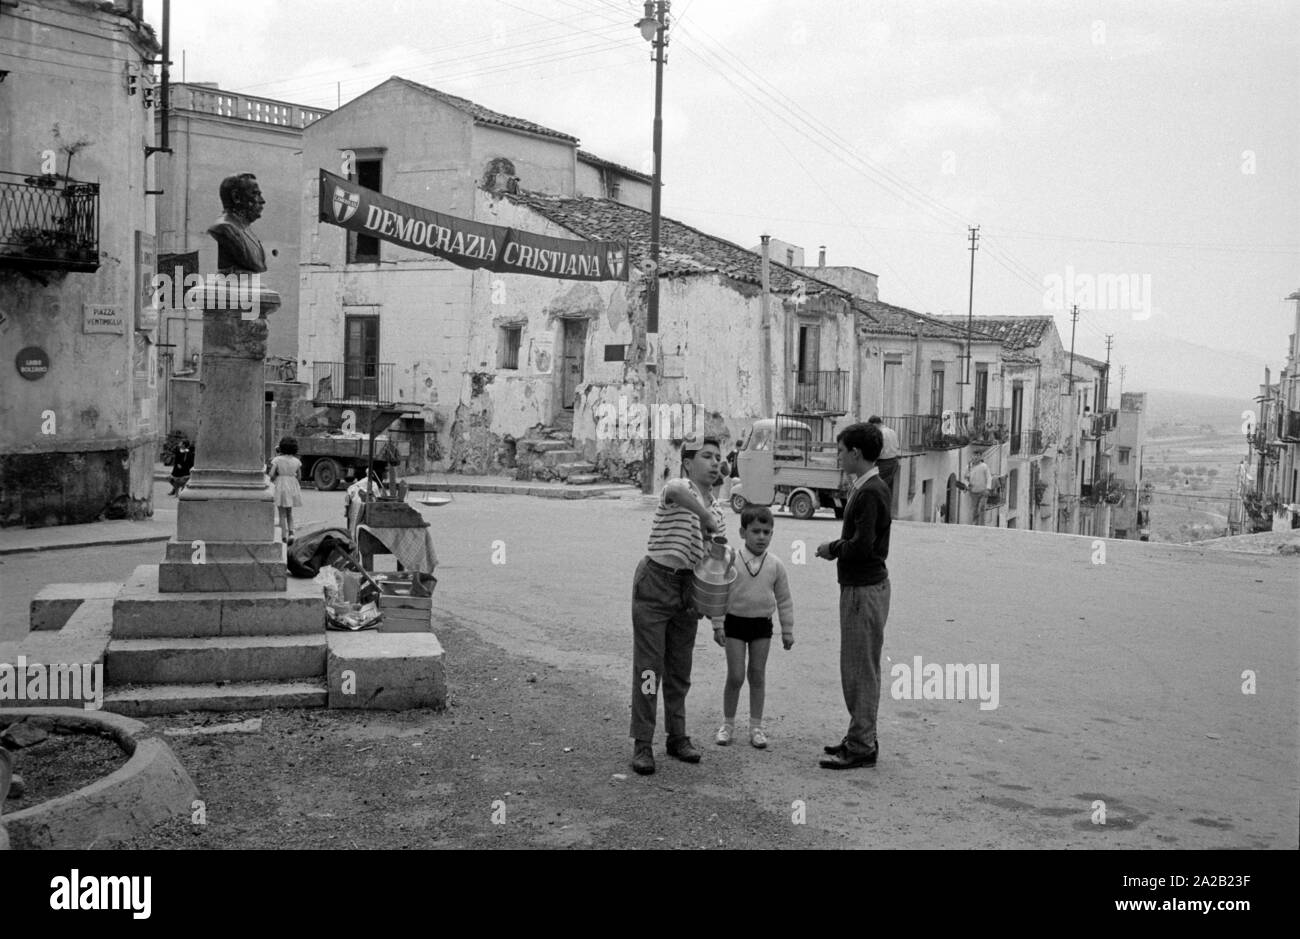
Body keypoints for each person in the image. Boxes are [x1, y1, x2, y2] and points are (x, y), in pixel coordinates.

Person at [629, 432, 725, 776]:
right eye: (707, 456)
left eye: (718, 457)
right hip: (655, 582)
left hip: (687, 589)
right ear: (688, 463)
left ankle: (677, 736)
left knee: (679, 671)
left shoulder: (716, 508)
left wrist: (716, 617)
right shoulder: (679, 489)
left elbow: (715, 565)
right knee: (649, 668)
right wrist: (704, 516)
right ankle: (642, 743)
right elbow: (673, 492)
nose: (715, 462)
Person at [815, 422, 891, 770]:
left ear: (856, 453)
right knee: (858, 665)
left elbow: (862, 546)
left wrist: (831, 548)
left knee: (860, 668)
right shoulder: (868, 486)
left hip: (864, 589)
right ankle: (859, 735)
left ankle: (861, 744)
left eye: (842, 450)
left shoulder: (871, 490)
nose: (839, 456)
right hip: (862, 587)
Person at [711, 505, 794, 749]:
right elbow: (719, 592)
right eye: (756, 531)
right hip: (734, 624)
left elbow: (785, 600)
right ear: (742, 532)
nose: (761, 537)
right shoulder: (731, 560)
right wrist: (718, 624)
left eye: (767, 532)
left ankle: (756, 726)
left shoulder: (775, 565)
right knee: (736, 676)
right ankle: (727, 724)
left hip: (761, 626)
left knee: (757, 675)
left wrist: (787, 630)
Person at [269, 436, 303, 542]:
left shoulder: (277, 460)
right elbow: (299, 477)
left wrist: (276, 477)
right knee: (289, 512)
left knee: (281, 513)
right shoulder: (297, 461)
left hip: (281, 484)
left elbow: (271, 474)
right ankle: (291, 533)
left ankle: (283, 535)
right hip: (292, 484)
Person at [867, 416, 900, 505]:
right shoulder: (892, 431)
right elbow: (897, 445)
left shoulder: (880, 433)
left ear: (874, 424)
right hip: (894, 461)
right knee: (888, 488)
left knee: (876, 487)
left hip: (883, 463)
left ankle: (877, 509)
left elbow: (879, 450)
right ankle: (886, 510)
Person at [966, 453, 991, 525]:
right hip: (973, 492)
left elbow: (989, 477)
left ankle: (981, 524)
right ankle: (974, 524)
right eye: (974, 455)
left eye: (977, 455)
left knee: (981, 508)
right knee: (974, 509)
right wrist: (967, 485)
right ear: (972, 457)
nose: (975, 457)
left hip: (983, 492)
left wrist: (988, 489)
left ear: (980, 457)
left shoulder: (984, 466)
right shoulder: (969, 467)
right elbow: (965, 477)